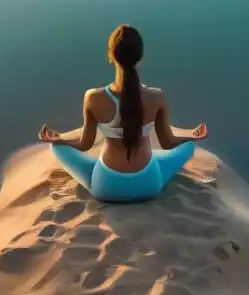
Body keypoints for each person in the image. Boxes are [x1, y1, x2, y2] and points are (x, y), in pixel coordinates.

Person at [38, 24, 208, 202]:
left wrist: (60, 140)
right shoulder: (156, 96)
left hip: (107, 186)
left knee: (55, 147)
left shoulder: (94, 97)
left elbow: (85, 144)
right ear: (140, 58)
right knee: (188, 146)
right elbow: (167, 142)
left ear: (110, 56)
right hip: (149, 183)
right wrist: (191, 136)